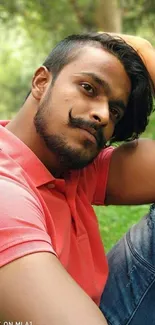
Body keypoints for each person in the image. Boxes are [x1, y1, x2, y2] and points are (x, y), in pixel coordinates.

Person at [0, 32, 154, 324]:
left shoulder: (73, 168)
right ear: (41, 82)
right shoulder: (5, 194)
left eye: (115, 110)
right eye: (89, 88)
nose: (103, 115)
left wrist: (147, 52)